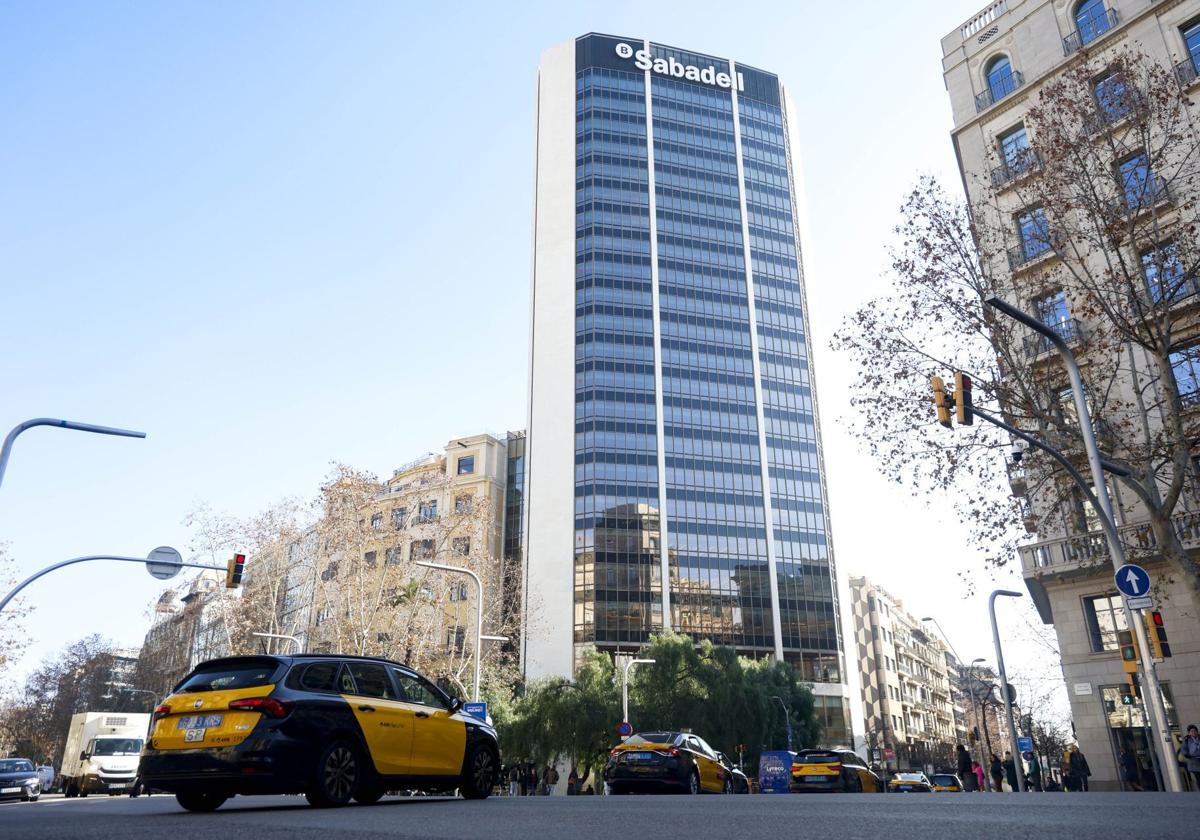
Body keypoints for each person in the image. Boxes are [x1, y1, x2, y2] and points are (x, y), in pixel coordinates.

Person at [1180, 725, 1200, 792]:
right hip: (1193, 761)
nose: (1194, 732)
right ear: (1189, 733)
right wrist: (1187, 755)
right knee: (1198, 778)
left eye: (1195, 731)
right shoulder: (1186, 740)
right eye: (1192, 731)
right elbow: (1183, 750)